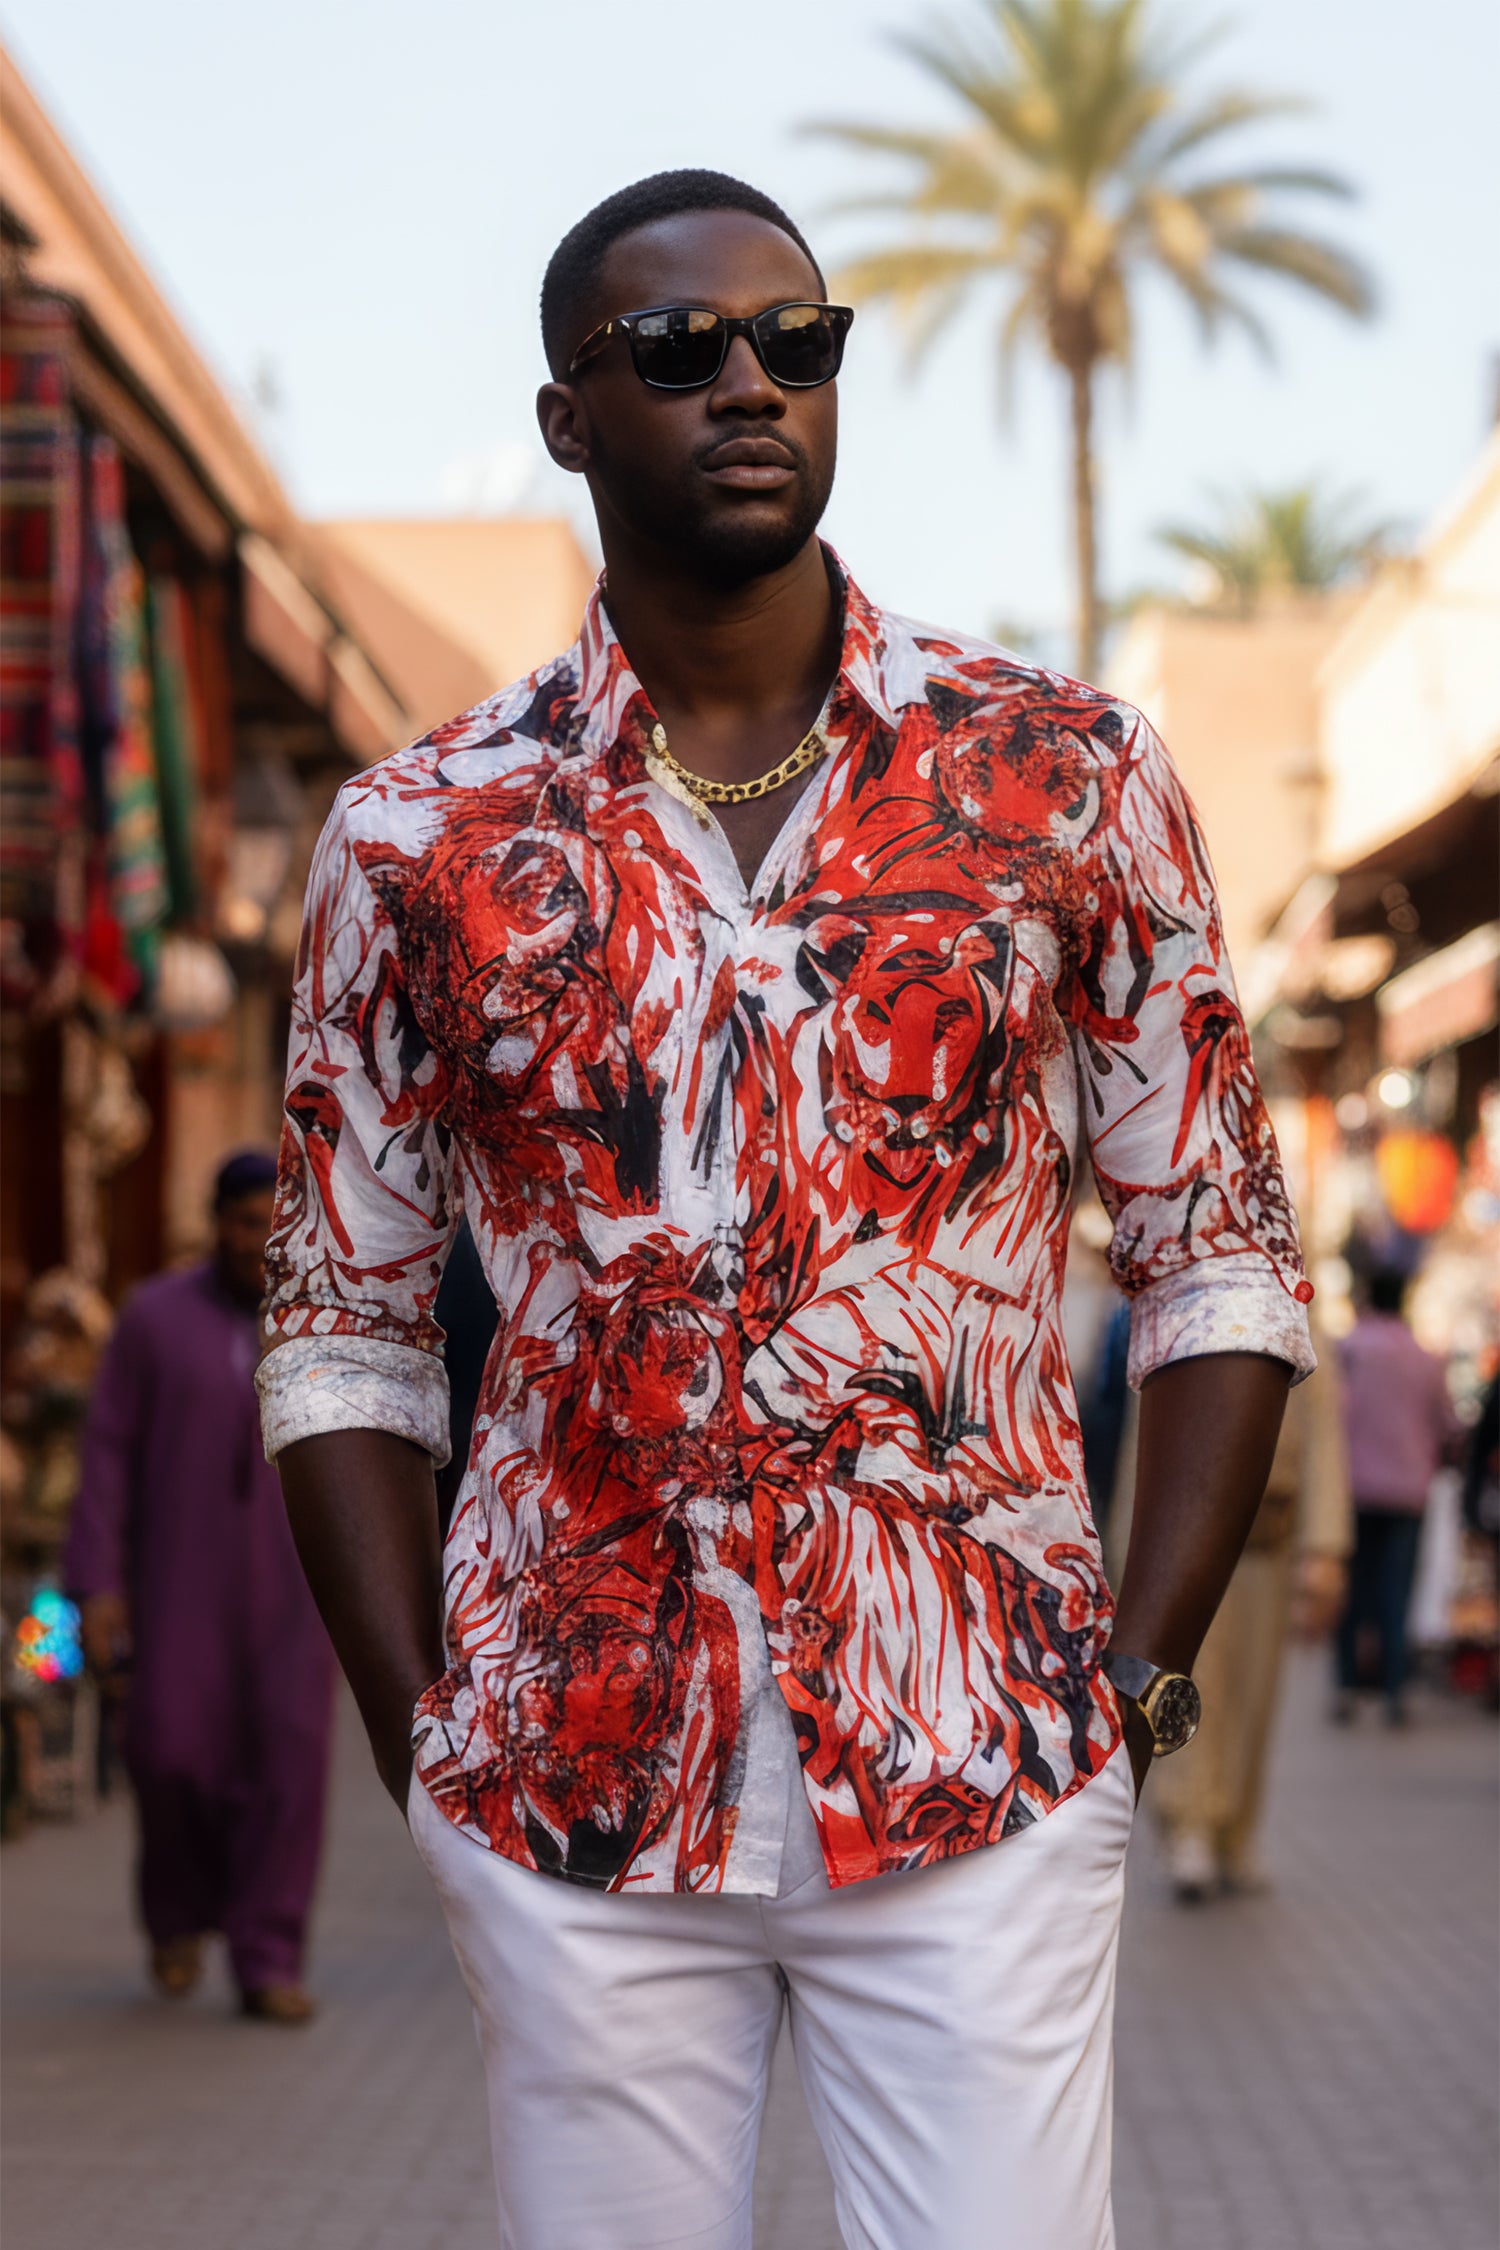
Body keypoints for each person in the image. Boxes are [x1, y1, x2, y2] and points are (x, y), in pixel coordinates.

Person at [259, 171, 1313, 2249]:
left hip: (988, 1767)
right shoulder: (417, 835)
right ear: (568, 415)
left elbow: (1215, 1255)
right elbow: (342, 1332)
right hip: (564, 1785)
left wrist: (1140, 1684)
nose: (750, 383)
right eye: (678, 350)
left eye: (796, 340)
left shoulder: (1066, 772)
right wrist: (426, 1745)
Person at [66, 1149, 335, 2022]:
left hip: (298, 1592)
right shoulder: (153, 1320)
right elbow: (105, 1457)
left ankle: (267, 1957)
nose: (259, 1243)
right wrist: (99, 1583)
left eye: (273, 1224)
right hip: (180, 1582)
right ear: (216, 1224)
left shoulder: (324, 1322)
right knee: (171, 1755)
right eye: (244, 1223)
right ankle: (178, 1917)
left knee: (288, 1774)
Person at [1152, 1340, 1349, 1900]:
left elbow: (1323, 1437)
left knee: (1256, 1692)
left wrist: (1323, 1547)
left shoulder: (1301, 1321)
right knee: (1189, 1681)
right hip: (1188, 1536)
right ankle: (1189, 1824)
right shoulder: (1176, 1308)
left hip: (1270, 1539)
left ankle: (1236, 1831)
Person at [1333, 1264, 1457, 1727]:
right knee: (1396, 1590)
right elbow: (1446, 1422)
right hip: (1408, 1490)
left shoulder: (1348, 1350)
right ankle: (1393, 1689)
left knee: (1354, 1589)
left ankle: (1347, 1684)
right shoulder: (1426, 1359)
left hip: (1356, 1486)